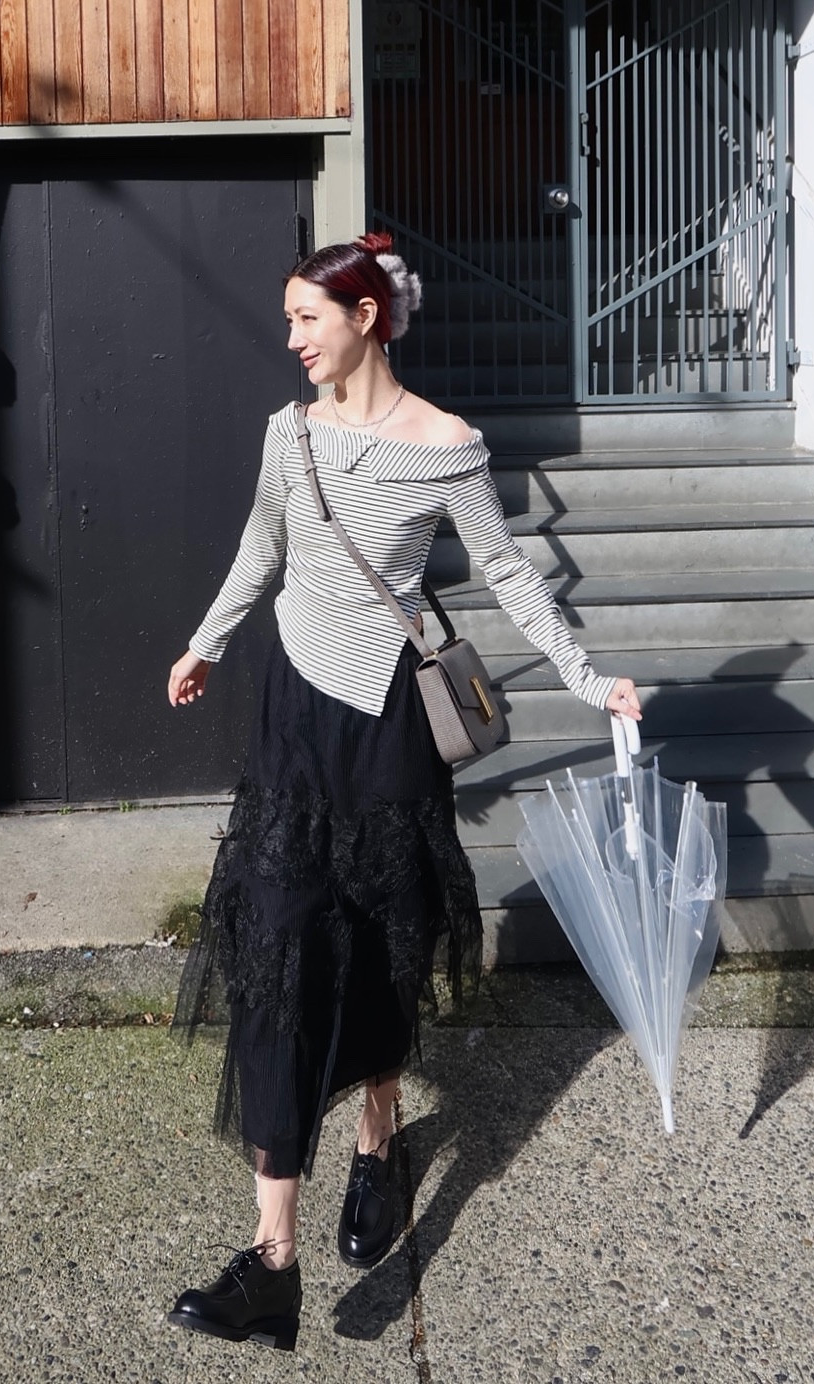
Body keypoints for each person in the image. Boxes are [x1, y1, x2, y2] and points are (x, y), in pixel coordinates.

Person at [164, 232, 642, 1352]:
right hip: (293, 715)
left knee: (380, 940)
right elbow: (260, 547)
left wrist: (588, 680)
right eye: (289, 320)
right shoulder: (290, 434)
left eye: (306, 321)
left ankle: (379, 1143)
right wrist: (206, 645)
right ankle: (271, 1261)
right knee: (277, 950)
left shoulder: (449, 449)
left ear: (367, 317)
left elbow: (511, 573)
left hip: (386, 724)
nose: (291, 342)